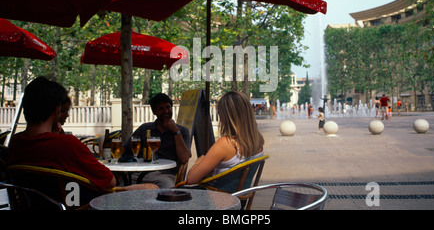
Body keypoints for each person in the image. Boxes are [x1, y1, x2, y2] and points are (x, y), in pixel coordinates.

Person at [6, 77, 157, 193]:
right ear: (56, 111)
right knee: (152, 188)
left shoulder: (15, 143)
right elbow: (110, 182)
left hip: (36, 204)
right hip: (83, 204)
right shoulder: (66, 145)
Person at [186, 91, 264, 185]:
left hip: (218, 197)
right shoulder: (259, 141)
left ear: (225, 116)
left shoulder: (226, 144)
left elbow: (191, 179)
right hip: (240, 197)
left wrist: (198, 163)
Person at [122, 93, 191, 188]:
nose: (166, 111)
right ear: (155, 112)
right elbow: (125, 148)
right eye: (161, 109)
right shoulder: (145, 128)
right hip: (139, 173)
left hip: (165, 175)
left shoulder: (182, 131)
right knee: (120, 189)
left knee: (168, 193)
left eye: (168, 107)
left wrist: (175, 131)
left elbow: (184, 158)